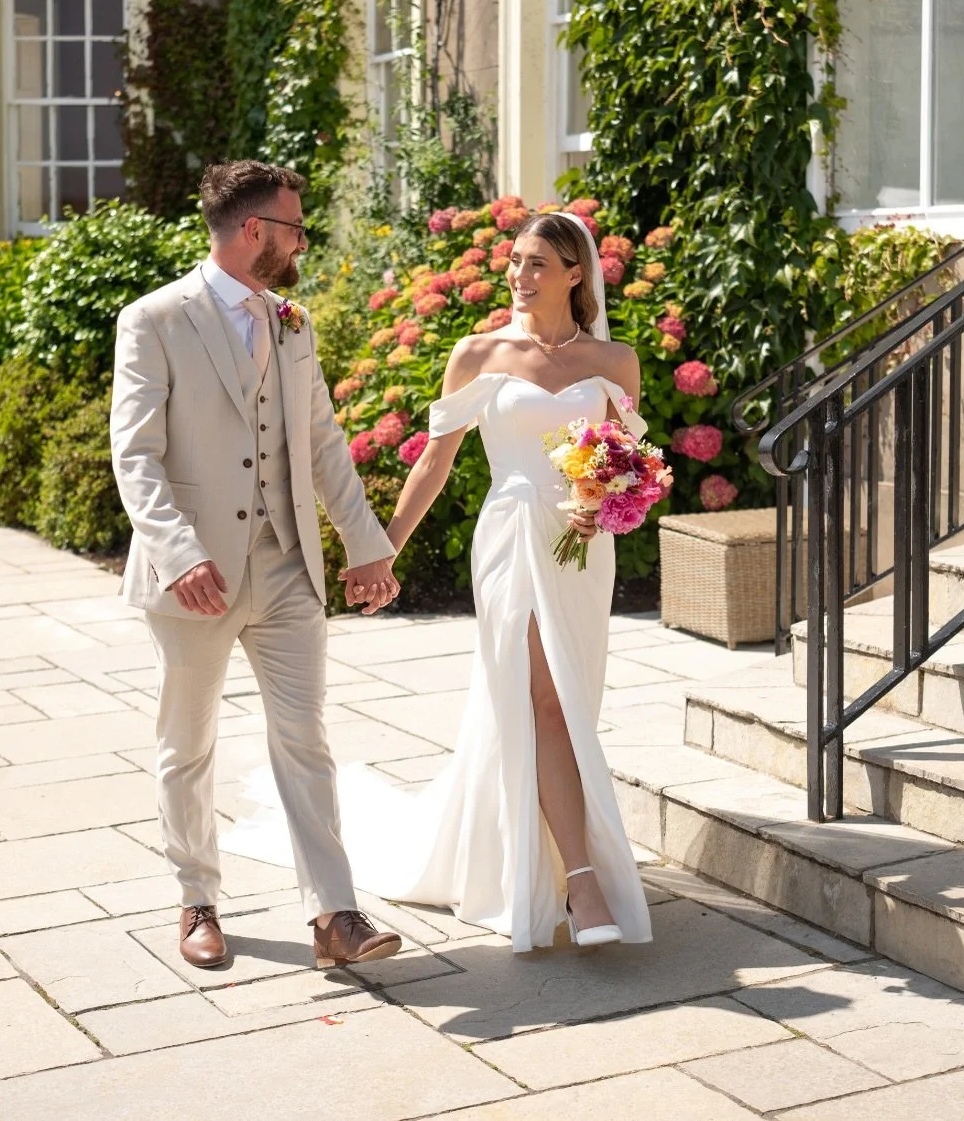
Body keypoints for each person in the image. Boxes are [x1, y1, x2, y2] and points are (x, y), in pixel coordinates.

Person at [224, 212, 652, 953]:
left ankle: (526, 851)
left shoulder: (615, 361)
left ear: (576, 274)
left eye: (538, 263)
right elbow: (435, 460)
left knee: (567, 701)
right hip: (511, 536)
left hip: (580, 550)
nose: (519, 274)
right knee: (544, 699)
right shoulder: (479, 353)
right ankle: (581, 884)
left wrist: (600, 510)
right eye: (514, 261)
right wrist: (380, 550)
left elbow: (626, 463)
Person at [110, 159, 404, 972]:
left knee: (305, 737)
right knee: (187, 744)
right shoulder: (155, 319)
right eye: (295, 228)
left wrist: (364, 540)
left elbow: (320, 442)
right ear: (254, 233)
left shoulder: (292, 322)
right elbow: (135, 456)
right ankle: (196, 898)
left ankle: (334, 915)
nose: (302, 240)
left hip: (285, 566)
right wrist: (178, 554)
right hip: (194, 576)